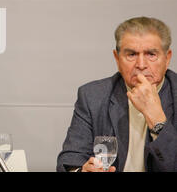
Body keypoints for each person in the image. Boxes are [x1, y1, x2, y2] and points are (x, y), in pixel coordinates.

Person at [57, 17, 177, 172]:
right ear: (117, 58)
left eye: (151, 54)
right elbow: (69, 161)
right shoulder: (93, 96)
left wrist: (157, 120)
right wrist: (81, 170)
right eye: (131, 54)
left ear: (167, 59)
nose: (141, 65)